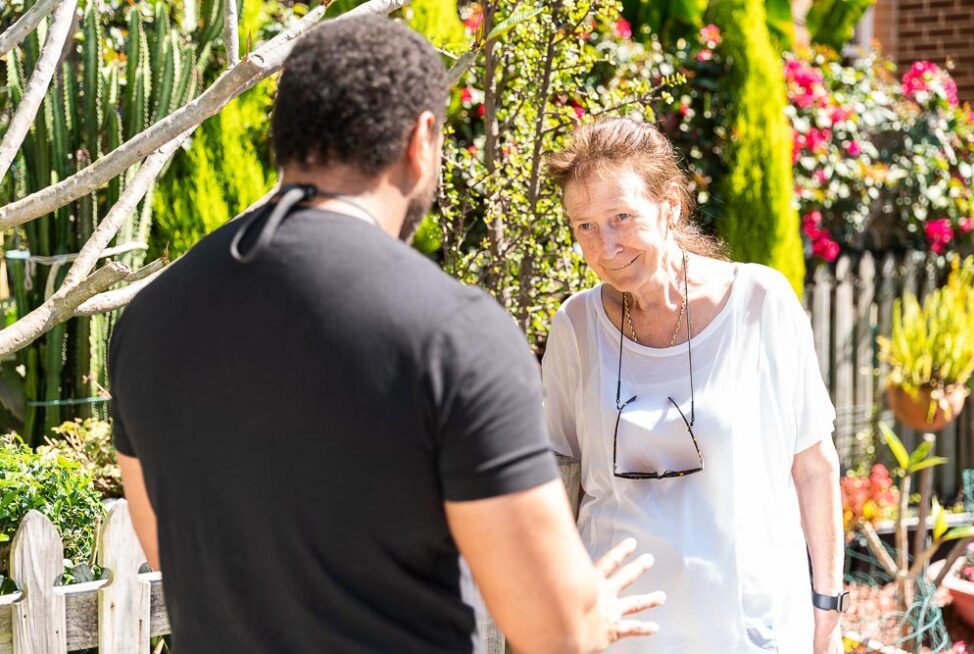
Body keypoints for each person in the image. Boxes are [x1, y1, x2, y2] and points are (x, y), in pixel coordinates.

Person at [108, 16, 665, 654]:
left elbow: (164, 549)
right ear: (422, 140)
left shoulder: (148, 319)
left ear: (286, 140)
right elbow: (551, 629)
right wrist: (589, 615)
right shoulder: (454, 331)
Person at [542, 117, 846, 653]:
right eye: (584, 225)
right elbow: (557, 485)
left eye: (621, 217)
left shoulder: (760, 304)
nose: (605, 245)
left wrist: (827, 604)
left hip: (751, 632)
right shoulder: (575, 328)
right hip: (621, 638)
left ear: (671, 207)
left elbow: (813, 465)